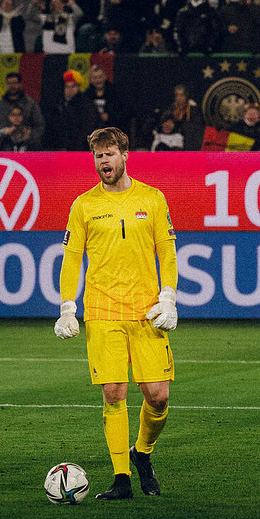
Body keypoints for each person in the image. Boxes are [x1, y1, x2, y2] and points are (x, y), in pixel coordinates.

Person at [54, 126, 178, 500]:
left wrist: (168, 296)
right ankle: (121, 478)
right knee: (113, 391)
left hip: (146, 310)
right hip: (102, 309)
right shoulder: (84, 205)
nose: (102, 161)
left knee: (157, 396)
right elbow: (72, 258)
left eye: (109, 154)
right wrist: (66, 307)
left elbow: (167, 251)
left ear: (125, 155)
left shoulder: (153, 199)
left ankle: (142, 453)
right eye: (97, 155)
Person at [44, 69, 102, 151]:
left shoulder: (87, 105)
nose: (70, 89)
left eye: (73, 86)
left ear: (78, 87)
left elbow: (87, 128)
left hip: (79, 149)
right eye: (67, 86)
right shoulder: (57, 104)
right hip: (59, 148)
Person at [0, 72, 46, 149]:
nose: (12, 86)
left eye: (14, 83)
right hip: (2, 148)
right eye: (9, 83)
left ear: (20, 84)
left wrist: (31, 138)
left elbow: (39, 124)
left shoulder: (30, 104)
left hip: (26, 148)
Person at [160, 84, 204, 150]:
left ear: (186, 96)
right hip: (173, 140)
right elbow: (164, 122)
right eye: (177, 95)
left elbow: (197, 127)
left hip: (190, 141)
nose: (179, 98)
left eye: (182, 95)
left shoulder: (194, 109)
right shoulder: (171, 109)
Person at [84, 64, 128, 130]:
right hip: (92, 130)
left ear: (105, 77)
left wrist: (110, 117)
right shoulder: (86, 95)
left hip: (112, 129)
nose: (98, 80)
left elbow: (125, 112)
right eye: (95, 78)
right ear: (90, 80)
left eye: (100, 77)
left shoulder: (115, 92)